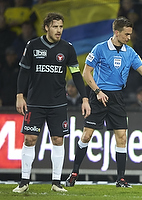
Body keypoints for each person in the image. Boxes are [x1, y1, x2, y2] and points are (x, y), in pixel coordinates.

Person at [65, 16, 142, 188]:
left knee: (121, 137)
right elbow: (86, 73)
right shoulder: (99, 49)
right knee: (87, 135)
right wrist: (97, 91)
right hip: (98, 96)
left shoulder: (129, 52)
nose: (129, 37)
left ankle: (121, 179)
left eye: (130, 34)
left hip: (117, 98)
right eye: (126, 34)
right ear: (116, 32)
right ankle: (74, 173)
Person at [13, 12, 91, 193]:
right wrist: (19, 95)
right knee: (30, 139)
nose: (59, 30)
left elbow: (76, 75)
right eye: (55, 26)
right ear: (46, 27)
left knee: (58, 139)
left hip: (57, 103)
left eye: (61, 27)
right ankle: (24, 181)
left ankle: (56, 182)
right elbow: (23, 72)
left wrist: (85, 98)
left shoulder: (67, 48)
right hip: (35, 102)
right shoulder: (33, 45)